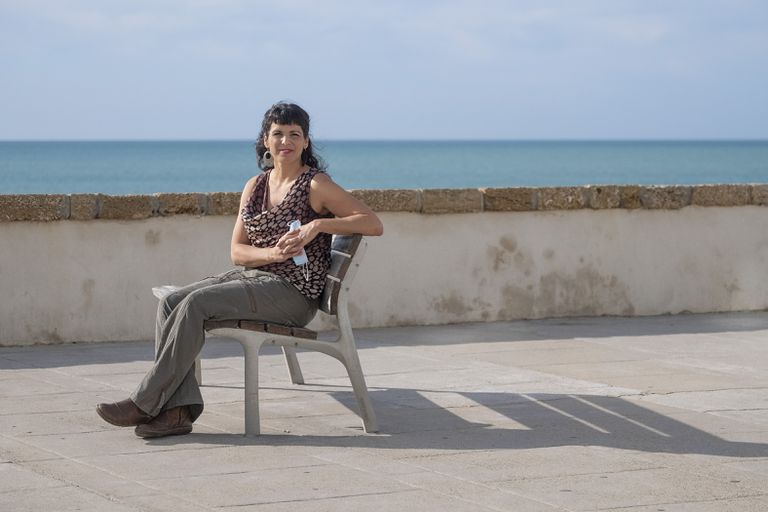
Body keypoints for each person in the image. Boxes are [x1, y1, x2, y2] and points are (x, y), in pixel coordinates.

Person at [96, 102, 384, 438]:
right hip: (256, 279)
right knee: (172, 301)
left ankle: (145, 401)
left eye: (295, 134)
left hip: (294, 296)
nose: (285, 141)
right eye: (278, 133)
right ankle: (175, 412)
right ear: (266, 139)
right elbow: (237, 252)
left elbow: (372, 223)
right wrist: (272, 253)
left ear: (306, 142)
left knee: (194, 305)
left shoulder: (315, 185)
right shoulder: (255, 186)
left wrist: (316, 225)